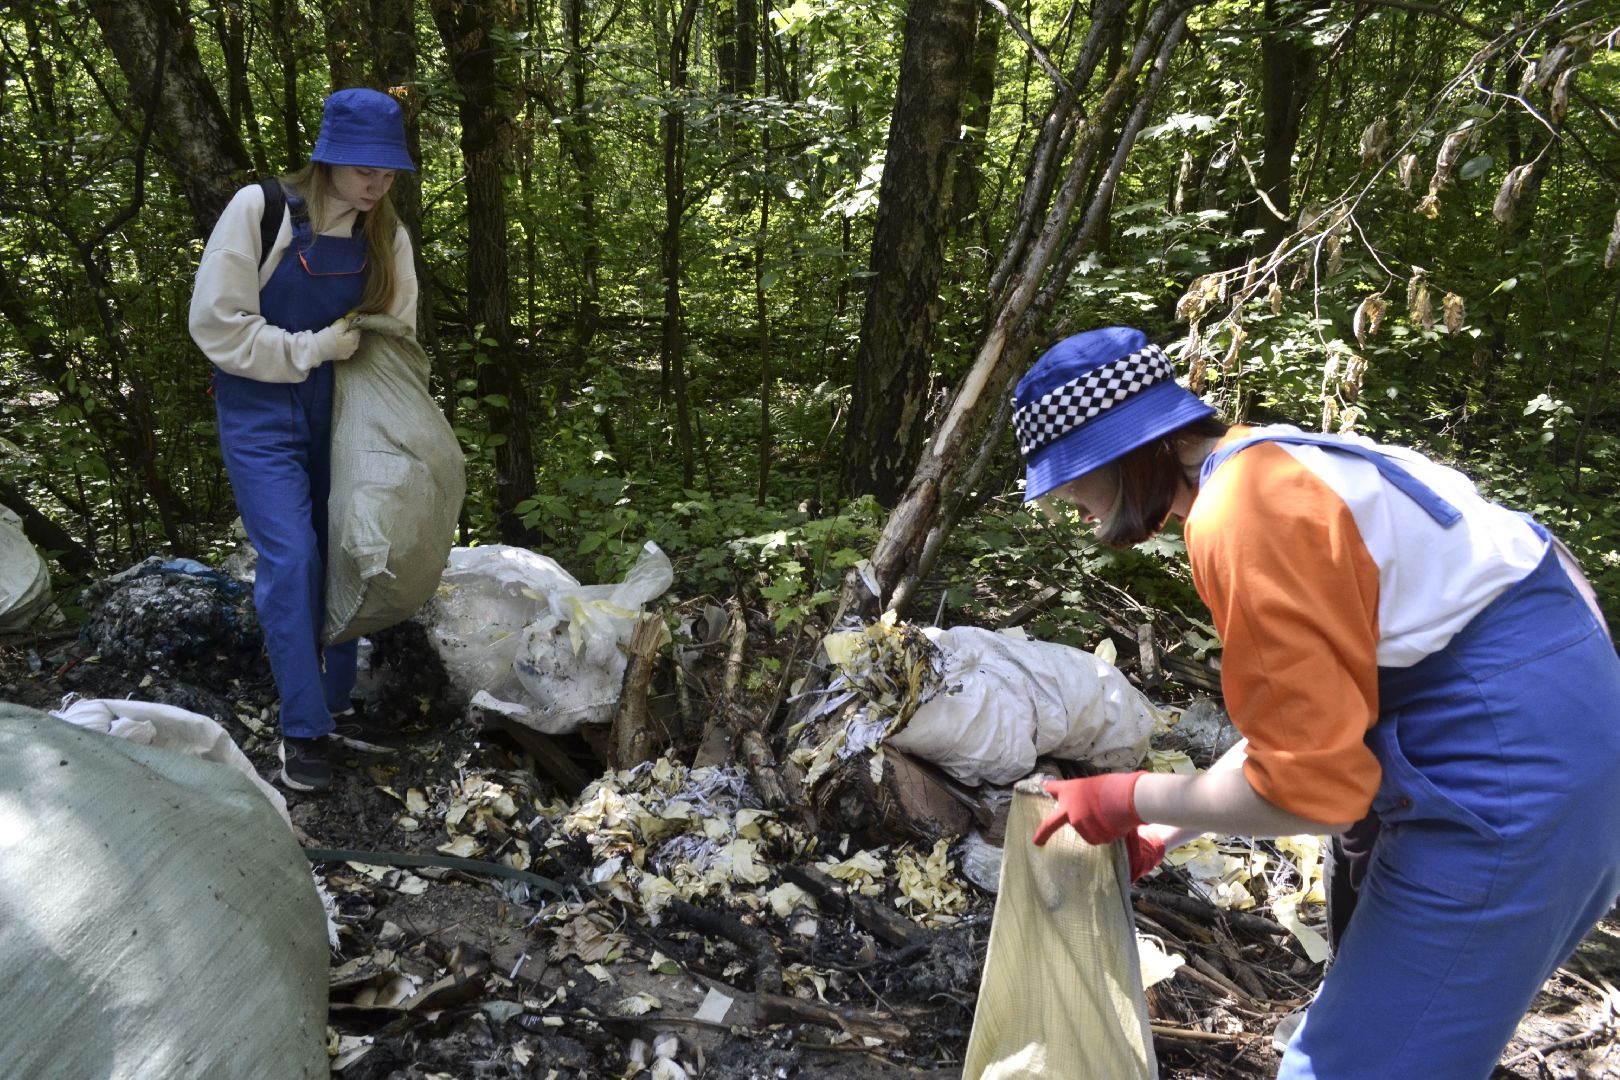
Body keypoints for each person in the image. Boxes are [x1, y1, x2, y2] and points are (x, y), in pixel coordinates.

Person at [1017, 326, 1620, 1078]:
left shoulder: (1243, 514)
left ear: (1122, 453)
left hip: (1509, 772)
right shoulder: (1271, 463)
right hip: (1559, 726)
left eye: (1070, 483)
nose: (1073, 508)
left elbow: (1313, 793)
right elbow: (1315, 728)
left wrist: (1125, 796)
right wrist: (1160, 826)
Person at [190, 88, 419, 792]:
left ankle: (335, 701)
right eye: (362, 170)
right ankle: (302, 730)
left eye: (386, 172)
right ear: (325, 159)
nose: (376, 184)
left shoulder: (388, 234)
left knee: (351, 551)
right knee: (291, 562)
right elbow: (217, 325)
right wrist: (314, 347)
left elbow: (397, 336)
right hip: (260, 410)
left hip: (348, 413)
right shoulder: (260, 211)